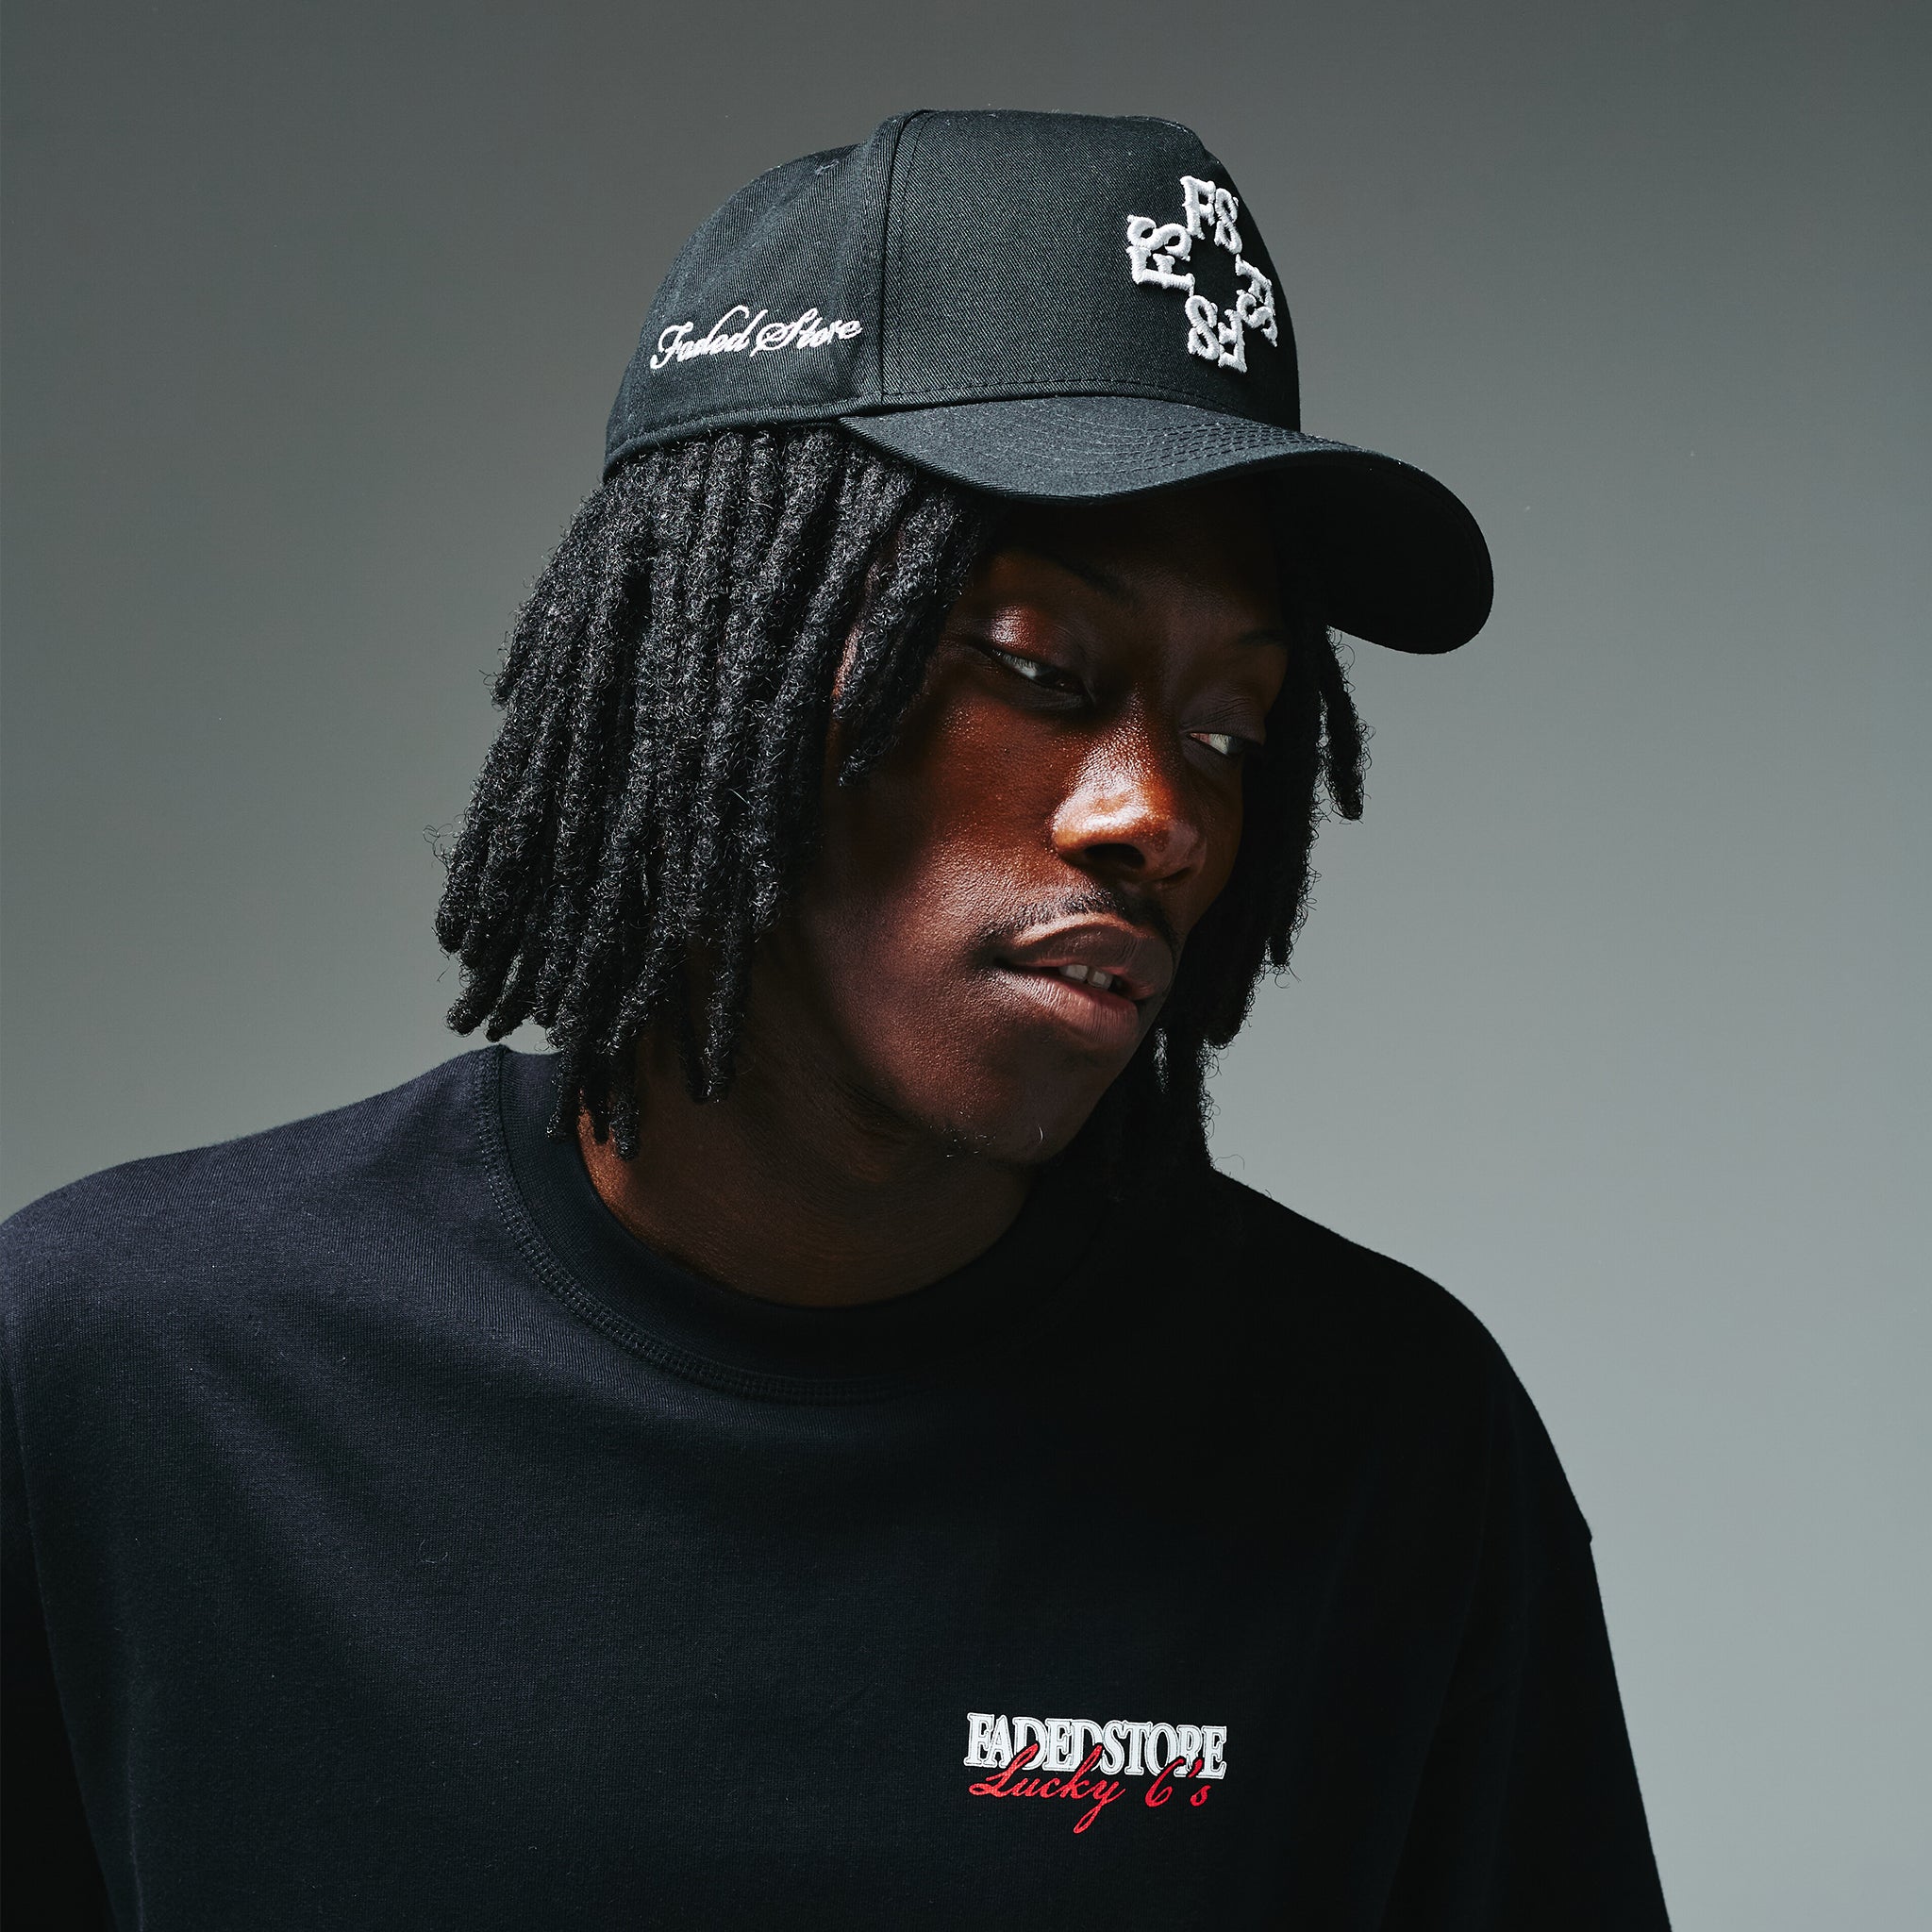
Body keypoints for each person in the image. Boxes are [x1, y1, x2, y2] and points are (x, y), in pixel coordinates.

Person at [2, 110, 1672, 1926]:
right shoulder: (124, 1373)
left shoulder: (1387, 1454)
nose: (1161, 817)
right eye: (1040, 669)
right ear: (710, 653)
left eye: (1230, 731)